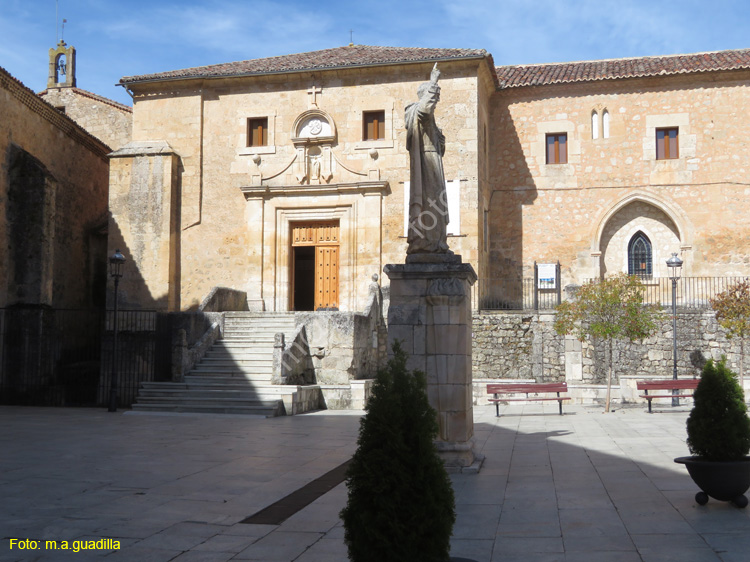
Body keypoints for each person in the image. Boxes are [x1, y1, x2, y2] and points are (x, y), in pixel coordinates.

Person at [405, 63, 451, 256]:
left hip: (434, 162)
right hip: (427, 163)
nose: (436, 100)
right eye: (434, 96)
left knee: (437, 204)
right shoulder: (416, 111)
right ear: (425, 94)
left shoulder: (428, 118)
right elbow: (425, 109)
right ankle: (427, 242)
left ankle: (438, 242)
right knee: (430, 201)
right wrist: (434, 81)